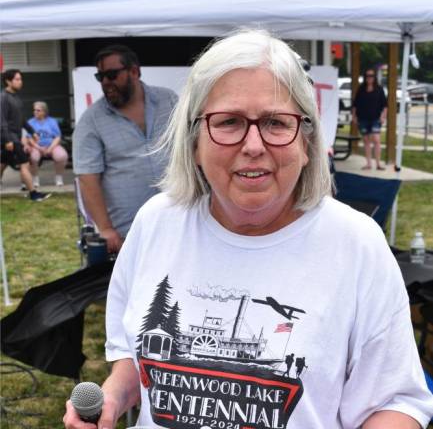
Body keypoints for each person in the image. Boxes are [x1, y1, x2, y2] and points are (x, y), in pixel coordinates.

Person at [64, 30, 433, 429]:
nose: (254, 144)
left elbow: (394, 403)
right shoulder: (156, 222)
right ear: (194, 143)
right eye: (229, 122)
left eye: (275, 122)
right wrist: (115, 397)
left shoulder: (356, 244)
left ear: (306, 142)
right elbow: (133, 361)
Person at [73, 44, 178, 254]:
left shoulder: (169, 100)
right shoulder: (91, 121)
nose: (105, 82)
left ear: (134, 71)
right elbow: (87, 178)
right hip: (129, 234)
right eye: (100, 76)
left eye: (111, 75)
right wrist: (105, 228)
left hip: (180, 221)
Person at [0, 69, 51, 201]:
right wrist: (7, 140)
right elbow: (2, 120)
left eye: (21, 79)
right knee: (24, 163)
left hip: (14, 136)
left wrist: (32, 131)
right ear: (8, 81)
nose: (20, 82)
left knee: (3, 162)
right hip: (9, 137)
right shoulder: (3, 97)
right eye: (17, 79)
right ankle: (34, 194)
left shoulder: (16, 97)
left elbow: (21, 119)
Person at [25, 101, 69, 187]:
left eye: (38, 110)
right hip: (36, 146)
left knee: (62, 156)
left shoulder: (52, 121)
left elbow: (57, 137)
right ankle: (35, 179)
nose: (35, 112)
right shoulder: (30, 122)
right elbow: (29, 138)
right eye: (34, 110)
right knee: (34, 158)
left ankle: (58, 178)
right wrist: (38, 147)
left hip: (51, 145)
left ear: (44, 112)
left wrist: (50, 148)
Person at [352, 68, 387, 171]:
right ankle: (368, 164)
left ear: (374, 77)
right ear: (365, 77)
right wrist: (354, 116)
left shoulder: (379, 89)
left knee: (376, 139)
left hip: (376, 118)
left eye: (371, 76)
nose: (369, 78)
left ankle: (378, 164)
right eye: (367, 76)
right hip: (363, 118)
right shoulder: (361, 89)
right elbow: (355, 104)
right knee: (366, 141)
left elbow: (385, 105)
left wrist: (383, 116)